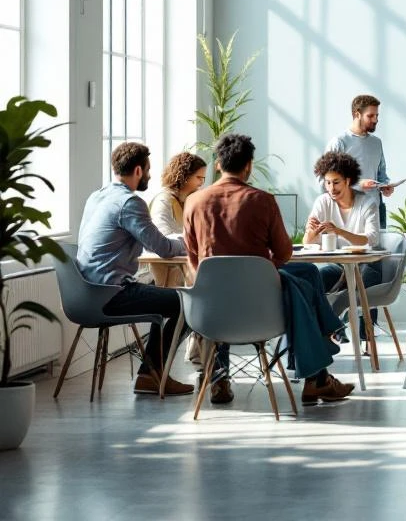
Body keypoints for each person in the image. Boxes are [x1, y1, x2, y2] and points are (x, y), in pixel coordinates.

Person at [183, 134, 354, 406]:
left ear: (218, 165)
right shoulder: (262, 200)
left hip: (209, 309)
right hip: (261, 309)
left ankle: (218, 378)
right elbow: (285, 253)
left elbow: (191, 257)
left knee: (306, 274)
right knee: (302, 280)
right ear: (249, 166)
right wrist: (262, 270)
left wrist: (211, 281)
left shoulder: (193, 202)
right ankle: (317, 376)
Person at [76, 142, 193, 396]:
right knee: (189, 302)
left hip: (85, 293)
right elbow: (163, 247)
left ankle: (150, 373)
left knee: (163, 294)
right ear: (138, 170)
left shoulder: (96, 196)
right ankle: (151, 374)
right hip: (111, 293)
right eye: (149, 170)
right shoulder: (130, 203)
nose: (150, 176)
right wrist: (194, 240)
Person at [304, 150, 381, 344]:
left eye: (336, 182)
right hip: (340, 266)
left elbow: (371, 238)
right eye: (327, 183)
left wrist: (339, 231)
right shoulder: (323, 202)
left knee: (356, 287)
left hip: (367, 264)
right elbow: (308, 242)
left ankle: (359, 335)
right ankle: (331, 328)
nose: (331, 188)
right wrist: (312, 232)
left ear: (348, 180)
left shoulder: (367, 203)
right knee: (314, 281)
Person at [325, 94, 394, 226]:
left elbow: (381, 174)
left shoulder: (376, 143)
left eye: (377, 115)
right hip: (349, 211)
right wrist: (358, 184)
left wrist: (385, 186)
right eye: (370, 116)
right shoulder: (339, 143)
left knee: (377, 246)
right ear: (357, 114)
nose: (375, 120)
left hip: (375, 209)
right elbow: (326, 180)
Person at [147, 151, 207, 287]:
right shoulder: (164, 200)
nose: (201, 183)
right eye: (199, 178)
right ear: (185, 176)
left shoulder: (187, 201)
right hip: (164, 270)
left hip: (180, 265)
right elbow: (162, 237)